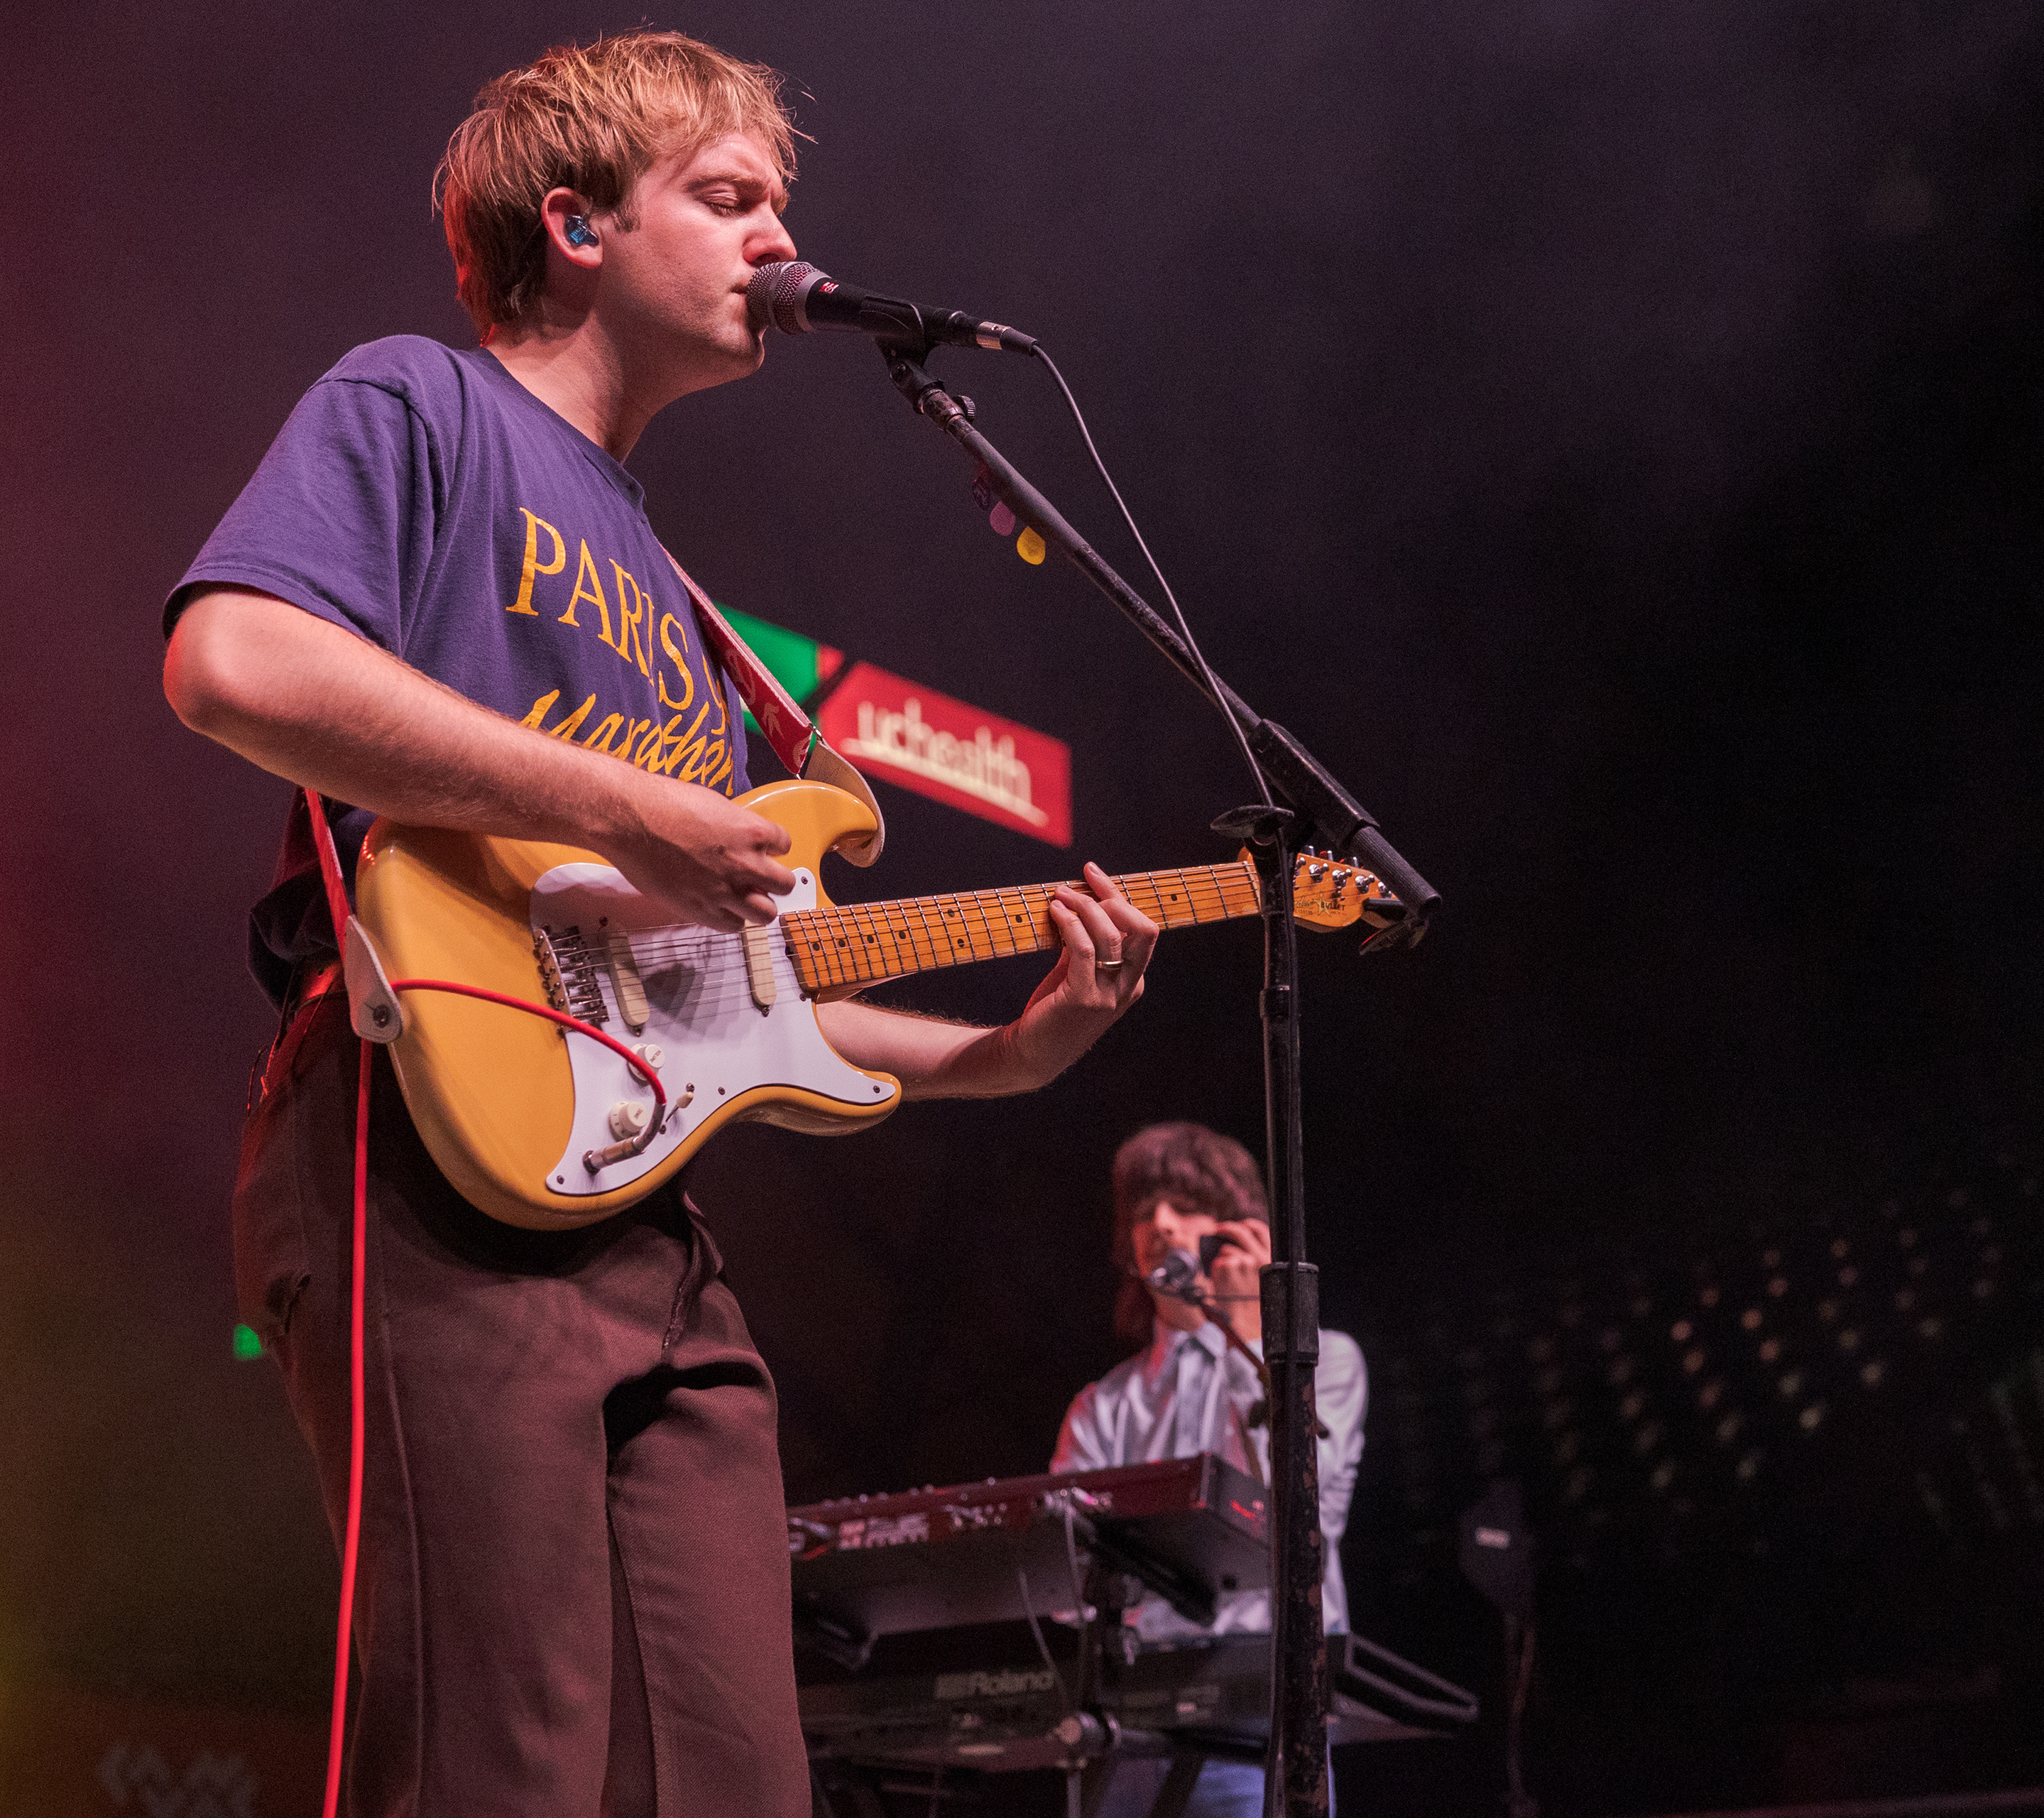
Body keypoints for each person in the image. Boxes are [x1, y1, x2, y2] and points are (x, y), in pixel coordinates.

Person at [160, 32, 1160, 1816]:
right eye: (728, 198)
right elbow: (232, 660)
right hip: (421, 1134)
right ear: (575, 224)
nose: (779, 244)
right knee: (500, 1759)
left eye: (782, 206)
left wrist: (1013, 1052)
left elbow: (732, 990)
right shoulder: (418, 402)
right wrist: (622, 804)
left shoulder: (679, 602)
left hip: (637, 1210)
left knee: (737, 1769)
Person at [1051, 1123, 1367, 1818]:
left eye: (1185, 1203)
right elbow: (1059, 1573)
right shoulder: (1101, 1405)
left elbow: (1304, 1524)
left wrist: (1256, 1337)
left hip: (1263, 1711)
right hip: (1131, 1716)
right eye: (1143, 1209)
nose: (1160, 1222)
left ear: (1239, 1230)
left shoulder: (1329, 1362)